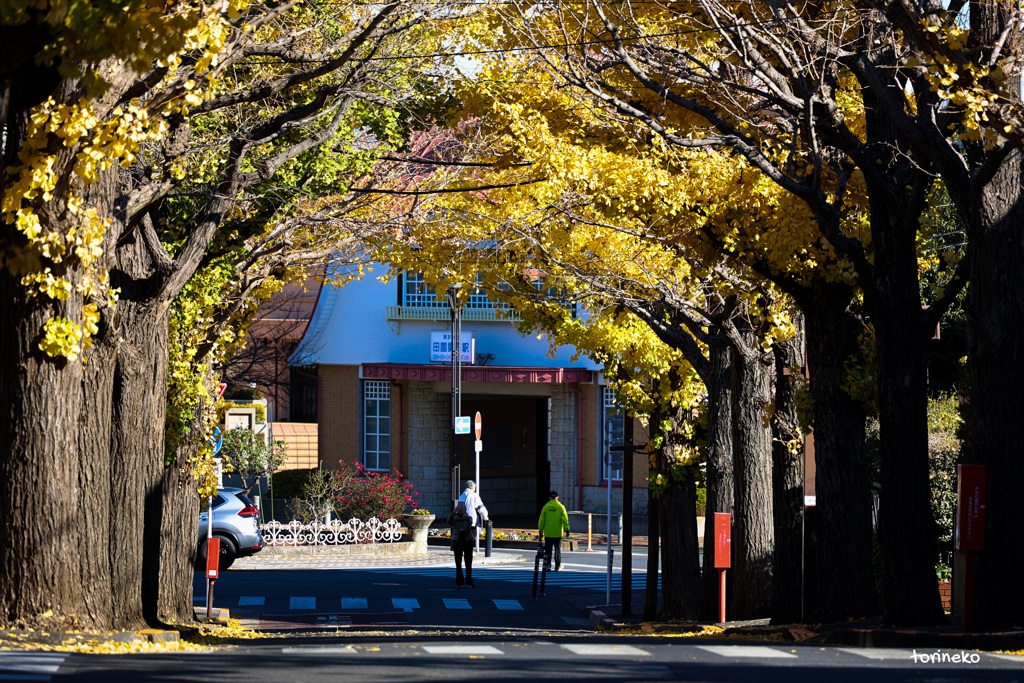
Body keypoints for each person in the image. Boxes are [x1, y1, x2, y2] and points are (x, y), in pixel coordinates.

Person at [538, 490, 569, 571]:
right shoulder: (561, 507)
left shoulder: (545, 507)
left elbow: (541, 520)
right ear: (557, 498)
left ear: (549, 498)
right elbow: (565, 519)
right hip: (558, 532)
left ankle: (548, 565)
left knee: (548, 550)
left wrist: (541, 531)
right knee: (557, 549)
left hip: (548, 532)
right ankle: (557, 565)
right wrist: (567, 529)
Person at [447, 500, 475, 588]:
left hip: (467, 540)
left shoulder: (468, 517)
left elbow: (468, 523)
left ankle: (469, 581)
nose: (461, 510)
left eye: (462, 508)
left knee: (468, 562)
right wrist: (454, 512)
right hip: (457, 540)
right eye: (459, 508)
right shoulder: (454, 518)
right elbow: (449, 521)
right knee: (458, 562)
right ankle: (459, 582)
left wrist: (463, 514)